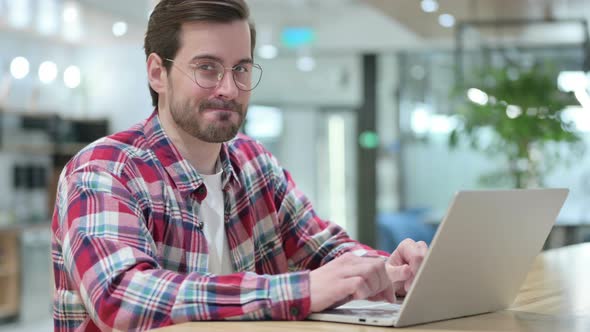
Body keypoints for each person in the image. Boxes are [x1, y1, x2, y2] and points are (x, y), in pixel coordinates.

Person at [51, 0, 428, 331]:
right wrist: (301, 291)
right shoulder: (103, 171)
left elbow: (323, 249)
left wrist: (388, 270)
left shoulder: (255, 164)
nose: (229, 89)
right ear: (156, 73)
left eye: (241, 69)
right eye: (207, 68)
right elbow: (121, 296)